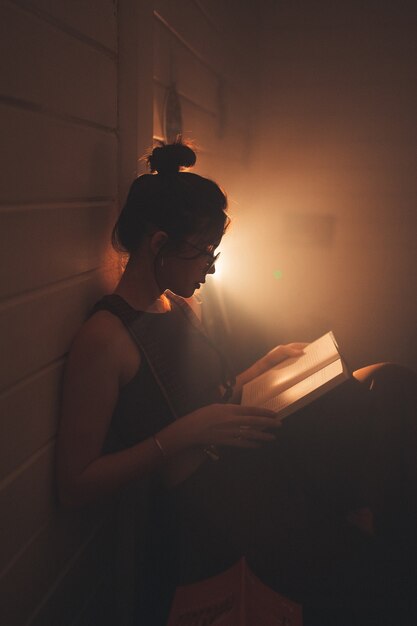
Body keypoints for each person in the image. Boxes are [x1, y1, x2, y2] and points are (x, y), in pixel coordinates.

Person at [57, 141, 417, 625]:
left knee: (387, 384)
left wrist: (262, 367)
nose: (212, 265)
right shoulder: (106, 337)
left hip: (246, 464)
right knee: (370, 564)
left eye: (215, 250)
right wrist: (182, 435)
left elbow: (206, 399)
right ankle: (359, 520)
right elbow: (75, 483)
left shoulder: (176, 305)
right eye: (202, 251)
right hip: (207, 500)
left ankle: (360, 511)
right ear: (159, 243)